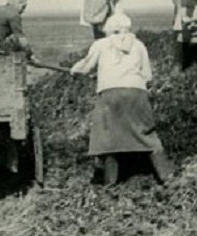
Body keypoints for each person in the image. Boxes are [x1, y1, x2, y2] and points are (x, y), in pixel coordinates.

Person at [69, 12, 173, 185]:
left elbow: (86, 66)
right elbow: (147, 75)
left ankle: (110, 183)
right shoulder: (139, 45)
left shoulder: (101, 44)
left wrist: (74, 70)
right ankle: (167, 177)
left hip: (110, 94)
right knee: (147, 134)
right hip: (136, 92)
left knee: (108, 137)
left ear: (109, 30)